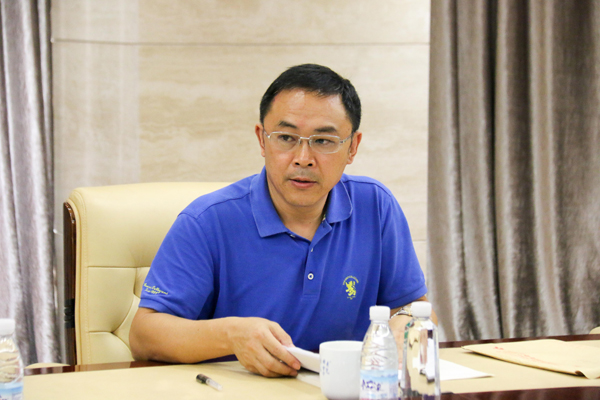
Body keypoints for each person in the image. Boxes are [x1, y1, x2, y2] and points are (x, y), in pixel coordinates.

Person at [130, 63, 436, 378]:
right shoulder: (206, 221)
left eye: (323, 141)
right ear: (262, 140)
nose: (303, 158)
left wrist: (407, 324)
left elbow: (414, 308)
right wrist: (231, 335)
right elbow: (144, 335)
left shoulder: (375, 206)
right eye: (286, 138)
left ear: (352, 147)